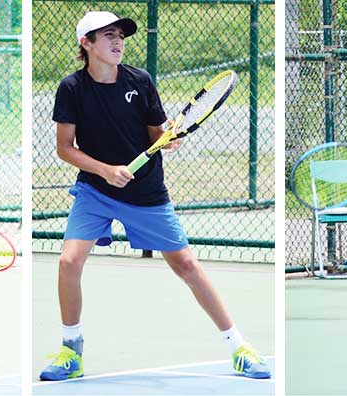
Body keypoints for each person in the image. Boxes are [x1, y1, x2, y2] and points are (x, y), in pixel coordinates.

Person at [38, 11, 271, 381]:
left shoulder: (139, 81)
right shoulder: (72, 88)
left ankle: (239, 347)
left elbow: (156, 135)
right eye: (108, 36)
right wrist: (104, 170)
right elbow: (65, 148)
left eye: (121, 36)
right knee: (68, 262)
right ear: (87, 44)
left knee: (186, 265)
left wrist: (169, 138)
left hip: (145, 192)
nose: (118, 42)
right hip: (95, 190)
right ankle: (71, 351)